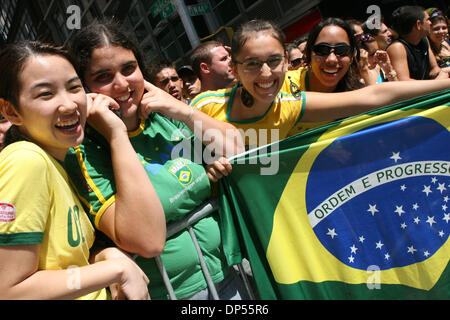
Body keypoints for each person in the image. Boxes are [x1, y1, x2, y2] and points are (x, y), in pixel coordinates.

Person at [66, 21, 247, 300]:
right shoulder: (82, 151)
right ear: (83, 87)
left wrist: (184, 113)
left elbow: (241, 151)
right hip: (174, 293)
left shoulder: (164, 114)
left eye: (129, 69)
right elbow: (146, 241)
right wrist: (116, 134)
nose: (122, 84)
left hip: (230, 275)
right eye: (103, 76)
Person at [0, 41, 155, 300]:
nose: (70, 105)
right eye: (46, 94)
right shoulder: (26, 161)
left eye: (74, 88)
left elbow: (58, 261)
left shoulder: (58, 161)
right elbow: (8, 290)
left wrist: (105, 255)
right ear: (11, 111)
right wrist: (115, 270)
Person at [191, 19, 450, 146]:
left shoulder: (290, 105)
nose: (332, 59)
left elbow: (379, 97)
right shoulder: (205, 105)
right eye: (323, 49)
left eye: (342, 51)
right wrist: (208, 165)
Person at [387, 5, 448, 80]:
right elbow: (404, 82)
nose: (430, 23)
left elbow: (434, 70)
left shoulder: (423, 39)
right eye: (427, 19)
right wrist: (439, 82)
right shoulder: (397, 48)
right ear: (418, 24)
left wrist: (443, 74)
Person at [426, 8, 450, 72]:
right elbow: (432, 73)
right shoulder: (426, 49)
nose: (441, 31)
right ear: (428, 30)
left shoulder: (445, 44)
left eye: (444, 28)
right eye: (436, 29)